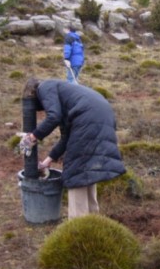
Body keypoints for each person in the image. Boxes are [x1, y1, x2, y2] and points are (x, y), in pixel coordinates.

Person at [19, 78, 126, 219]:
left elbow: (53, 117)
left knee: (75, 171)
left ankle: (77, 225)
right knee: (87, 169)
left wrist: (33, 136)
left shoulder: (44, 87)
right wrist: (47, 161)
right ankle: (93, 220)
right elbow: (66, 137)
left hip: (88, 117)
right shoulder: (65, 95)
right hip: (103, 114)